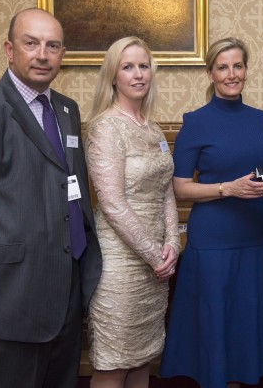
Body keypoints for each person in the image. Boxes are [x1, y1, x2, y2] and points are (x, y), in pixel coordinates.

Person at [0, 8, 102, 388]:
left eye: (53, 45)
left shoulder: (67, 110)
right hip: (10, 293)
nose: (42, 54)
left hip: (66, 286)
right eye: (31, 43)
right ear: (10, 50)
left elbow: (71, 186)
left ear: (62, 54)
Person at [159, 37, 263, 388]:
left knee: (244, 325)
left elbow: (262, 180)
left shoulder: (262, 120)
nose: (232, 74)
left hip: (252, 236)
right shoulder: (196, 121)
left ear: (245, 69)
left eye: (238, 66)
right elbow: (179, 186)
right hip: (212, 240)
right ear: (210, 74)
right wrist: (225, 188)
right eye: (223, 67)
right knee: (217, 325)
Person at [83, 36, 180, 388]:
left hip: (157, 262)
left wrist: (172, 243)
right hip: (120, 264)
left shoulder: (153, 129)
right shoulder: (105, 127)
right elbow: (111, 203)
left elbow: (167, 190)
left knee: (142, 356)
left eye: (143, 66)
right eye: (128, 67)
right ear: (113, 76)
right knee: (115, 361)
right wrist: (156, 255)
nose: (138, 74)